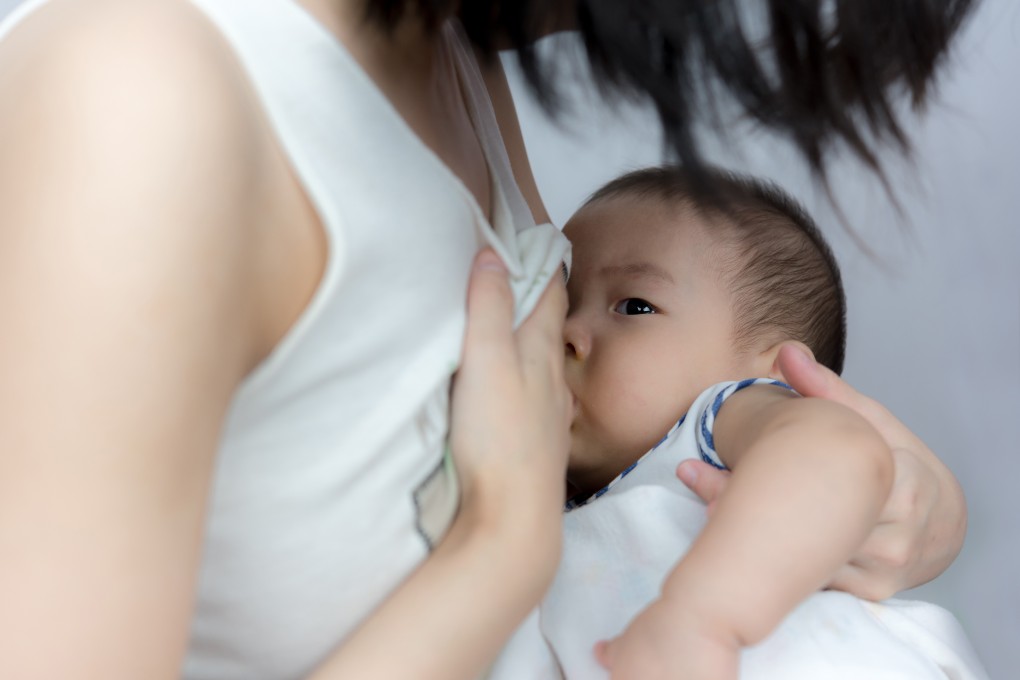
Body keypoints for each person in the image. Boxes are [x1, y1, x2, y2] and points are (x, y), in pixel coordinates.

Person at [0, 1, 975, 678]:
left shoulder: (457, 63)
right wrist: (499, 556)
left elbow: (808, 449)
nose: (572, 332)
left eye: (632, 307)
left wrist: (907, 503)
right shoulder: (141, 98)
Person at [489, 166, 988, 680]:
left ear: (775, 372)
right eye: (561, 302)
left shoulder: (717, 418)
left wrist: (703, 618)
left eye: (634, 306)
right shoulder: (543, 500)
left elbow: (841, 454)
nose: (566, 330)